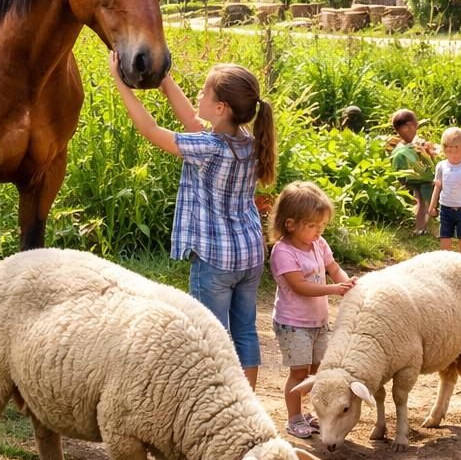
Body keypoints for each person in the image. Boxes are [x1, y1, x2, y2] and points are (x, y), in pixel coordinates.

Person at [108, 55, 276, 388]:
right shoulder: (250, 143)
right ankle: (247, 401)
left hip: (215, 260)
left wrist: (121, 83)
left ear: (221, 108)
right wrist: (165, 80)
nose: (198, 97)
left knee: (209, 333)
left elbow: (150, 129)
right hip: (250, 254)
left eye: (203, 92)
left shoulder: (209, 147)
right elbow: (195, 122)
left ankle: (216, 400)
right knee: (244, 330)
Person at [268, 181, 355, 439]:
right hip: (293, 323)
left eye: (322, 225)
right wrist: (334, 289)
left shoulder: (318, 244)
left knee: (320, 370)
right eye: (312, 226)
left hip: (318, 322)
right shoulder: (283, 252)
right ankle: (293, 418)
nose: (319, 231)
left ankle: (313, 414)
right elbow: (299, 286)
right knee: (299, 372)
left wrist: (347, 281)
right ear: (290, 223)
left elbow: (333, 267)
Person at [428, 127, 461, 257]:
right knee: (445, 236)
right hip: (445, 207)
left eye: (456, 149)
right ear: (444, 149)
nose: (453, 154)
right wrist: (432, 205)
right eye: (448, 149)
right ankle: (446, 260)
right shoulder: (441, 166)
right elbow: (438, 186)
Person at [389, 109, 435, 236]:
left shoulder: (399, 147)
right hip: (421, 179)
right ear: (409, 126)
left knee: (419, 201)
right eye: (416, 125)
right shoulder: (412, 148)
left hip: (408, 180)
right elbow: (425, 165)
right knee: (424, 202)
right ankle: (422, 228)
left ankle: (420, 227)